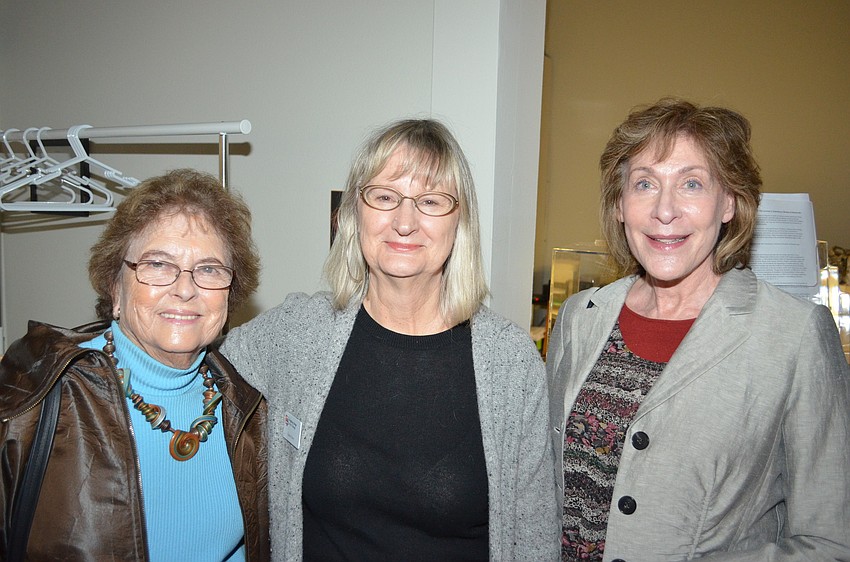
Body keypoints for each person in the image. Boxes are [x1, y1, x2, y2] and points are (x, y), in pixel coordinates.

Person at [222, 119, 560, 561]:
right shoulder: (297, 332)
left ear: (460, 223)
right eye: (384, 197)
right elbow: (192, 367)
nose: (405, 222)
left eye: (431, 201)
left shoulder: (511, 363)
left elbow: (536, 542)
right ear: (353, 212)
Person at [547, 98, 850, 561]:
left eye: (692, 183)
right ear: (621, 205)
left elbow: (829, 541)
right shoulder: (578, 318)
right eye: (645, 183)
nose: (664, 211)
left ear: (728, 203)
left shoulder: (795, 336)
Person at [0, 169, 269, 561]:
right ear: (115, 287)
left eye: (209, 269)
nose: (185, 288)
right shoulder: (34, 395)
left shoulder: (246, 407)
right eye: (158, 264)